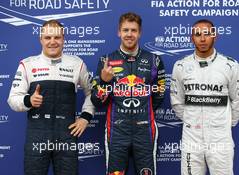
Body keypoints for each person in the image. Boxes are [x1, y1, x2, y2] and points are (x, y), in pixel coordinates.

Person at [7, 20, 94, 175]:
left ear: (63, 38)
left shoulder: (77, 64)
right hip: (37, 136)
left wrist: (85, 117)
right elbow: (13, 99)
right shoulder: (27, 64)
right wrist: (29, 100)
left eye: (57, 38)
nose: (52, 42)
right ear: (41, 39)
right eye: (47, 38)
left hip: (67, 136)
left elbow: (92, 93)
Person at [170, 19, 239, 175]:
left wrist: (223, 124)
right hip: (191, 140)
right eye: (198, 34)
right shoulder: (181, 66)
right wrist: (192, 121)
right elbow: (177, 102)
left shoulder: (230, 65)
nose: (203, 39)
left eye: (207, 34)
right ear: (191, 38)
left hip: (220, 140)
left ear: (215, 36)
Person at [91, 12, 165, 175]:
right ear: (119, 32)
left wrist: (143, 113)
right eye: (125, 30)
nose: (129, 34)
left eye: (133, 30)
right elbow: (97, 101)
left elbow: (159, 94)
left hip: (145, 131)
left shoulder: (154, 60)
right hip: (117, 131)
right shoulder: (106, 60)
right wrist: (104, 82)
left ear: (140, 33)